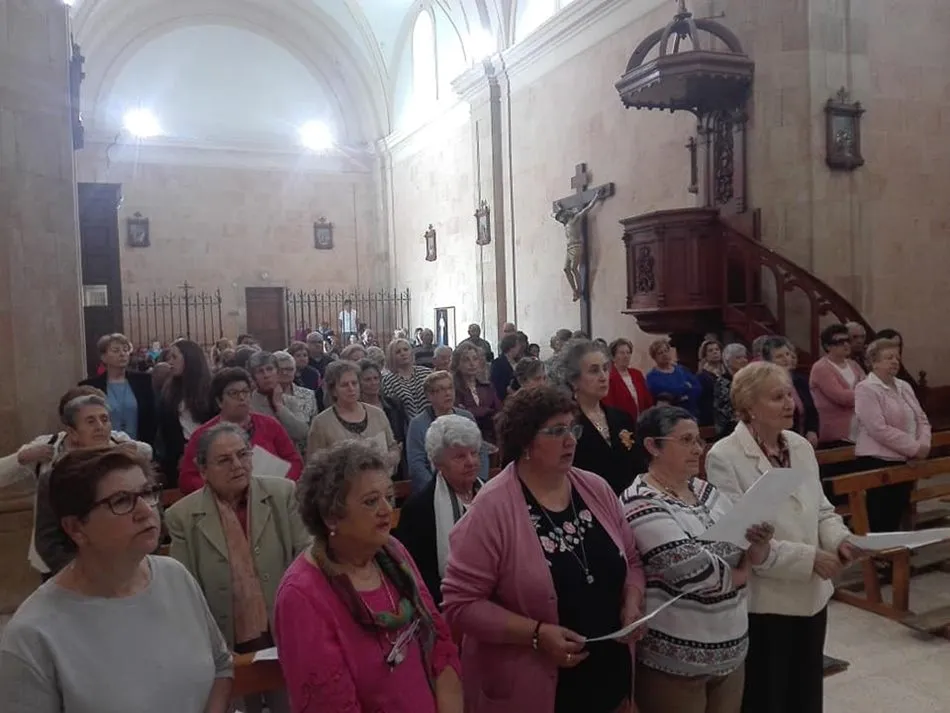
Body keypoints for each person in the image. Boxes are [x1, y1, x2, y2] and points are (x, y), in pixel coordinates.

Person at [441, 385, 645, 713]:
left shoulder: (596, 488)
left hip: (609, 677)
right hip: (535, 686)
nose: (571, 440)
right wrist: (535, 634)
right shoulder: (491, 509)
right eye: (557, 431)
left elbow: (631, 560)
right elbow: (460, 605)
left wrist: (632, 601)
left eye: (573, 429)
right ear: (525, 441)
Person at [0, 447, 233, 713]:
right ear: (76, 528)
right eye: (121, 501)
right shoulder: (32, 634)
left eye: (147, 493)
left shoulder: (175, 576)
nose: (145, 510)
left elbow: (221, 665)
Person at [705, 361, 856, 713]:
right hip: (767, 601)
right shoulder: (724, 456)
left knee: (806, 694)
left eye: (789, 395)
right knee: (768, 696)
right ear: (749, 407)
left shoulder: (800, 446)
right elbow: (740, 536)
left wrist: (840, 540)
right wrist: (809, 558)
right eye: (777, 397)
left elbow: (821, 509)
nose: (790, 403)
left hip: (812, 595)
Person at [273, 440, 462, 713]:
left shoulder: (393, 553)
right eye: (371, 501)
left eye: (389, 496)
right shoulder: (301, 595)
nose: (386, 510)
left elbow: (440, 644)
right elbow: (330, 706)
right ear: (331, 517)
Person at [623, 405, 771, 713]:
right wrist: (739, 572)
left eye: (698, 440)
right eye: (686, 441)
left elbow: (744, 548)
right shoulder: (639, 500)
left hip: (731, 648)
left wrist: (758, 544)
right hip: (678, 660)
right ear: (653, 446)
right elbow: (695, 572)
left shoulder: (705, 490)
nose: (697, 450)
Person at [167, 424, 311, 713]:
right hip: (224, 643)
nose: (237, 465)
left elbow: (306, 557)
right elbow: (184, 592)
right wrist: (213, 647)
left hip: (285, 631)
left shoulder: (282, 493)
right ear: (203, 470)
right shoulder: (181, 516)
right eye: (224, 460)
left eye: (243, 454)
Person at [1, 389, 153, 578]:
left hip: (119, 558)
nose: (100, 427)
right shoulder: (49, 451)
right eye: (90, 420)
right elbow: (48, 538)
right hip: (61, 564)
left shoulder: (117, 444)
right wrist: (21, 458)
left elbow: (147, 453)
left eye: (104, 419)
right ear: (71, 430)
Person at [395, 415, 483, 605]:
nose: (471, 461)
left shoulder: (492, 495)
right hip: (446, 604)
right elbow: (417, 577)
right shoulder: (418, 509)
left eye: (474, 453)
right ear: (438, 463)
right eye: (460, 456)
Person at [177, 368, 303, 494]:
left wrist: (280, 484)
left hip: (272, 495)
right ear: (219, 401)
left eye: (245, 392)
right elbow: (187, 480)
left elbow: (295, 461)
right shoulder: (203, 435)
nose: (242, 397)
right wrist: (222, 486)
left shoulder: (270, 425)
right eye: (233, 393)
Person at [854, 338, 931, 532]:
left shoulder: (904, 386)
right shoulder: (866, 388)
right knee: (881, 518)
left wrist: (923, 446)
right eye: (889, 358)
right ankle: (880, 550)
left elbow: (921, 418)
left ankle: (898, 548)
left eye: (897, 357)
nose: (895, 361)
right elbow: (878, 428)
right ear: (874, 362)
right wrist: (914, 448)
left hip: (905, 460)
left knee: (899, 512)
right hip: (878, 461)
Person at [558, 339, 641, 495]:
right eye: (594, 371)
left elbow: (638, 465)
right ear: (574, 380)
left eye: (605, 369)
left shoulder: (622, 418)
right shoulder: (565, 424)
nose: (603, 377)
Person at [405, 371, 487, 493]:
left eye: (450, 388)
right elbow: (417, 465)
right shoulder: (418, 424)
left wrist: (478, 480)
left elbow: (481, 451)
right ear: (429, 396)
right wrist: (436, 490)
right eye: (441, 389)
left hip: (471, 485)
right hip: (435, 489)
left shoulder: (466, 417)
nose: (448, 393)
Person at [307, 360, 400, 467]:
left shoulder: (377, 414)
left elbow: (392, 446)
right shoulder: (321, 423)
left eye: (354, 383)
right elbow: (313, 465)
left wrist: (391, 458)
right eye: (344, 385)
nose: (351, 389)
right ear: (333, 391)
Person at [80, 333, 156, 445]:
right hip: (104, 447)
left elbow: (152, 417)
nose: (122, 354)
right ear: (103, 357)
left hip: (139, 446)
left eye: (125, 350)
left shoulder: (143, 381)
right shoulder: (91, 386)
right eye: (116, 350)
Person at [156, 339, 213, 488]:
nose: (170, 362)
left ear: (189, 358)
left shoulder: (211, 389)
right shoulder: (169, 390)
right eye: (169, 357)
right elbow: (167, 431)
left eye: (174, 357)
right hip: (179, 457)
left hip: (209, 453)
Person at [809, 324, 865, 447]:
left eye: (847, 340)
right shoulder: (821, 368)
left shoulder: (854, 365)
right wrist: (863, 393)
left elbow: (868, 387)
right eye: (840, 342)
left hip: (858, 430)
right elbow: (841, 397)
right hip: (834, 434)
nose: (846, 345)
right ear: (827, 346)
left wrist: (864, 393)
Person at [760, 336, 819, 446]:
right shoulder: (765, 385)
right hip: (777, 440)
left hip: (804, 441)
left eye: (787, 354)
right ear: (769, 361)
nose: (786, 359)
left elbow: (811, 410)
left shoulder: (800, 380)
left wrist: (812, 430)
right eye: (779, 356)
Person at [358, 358, 409, 480]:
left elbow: (404, 432)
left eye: (376, 378)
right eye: (367, 379)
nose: (373, 382)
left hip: (398, 464)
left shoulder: (395, 404)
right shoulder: (357, 410)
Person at [452, 341, 502, 445]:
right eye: (466, 360)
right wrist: (487, 411)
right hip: (463, 439)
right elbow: (459, 415)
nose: (472, 364)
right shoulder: (453, 388)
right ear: (457, 364)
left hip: (489, 438)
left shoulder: (487, 386)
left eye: (475, 359)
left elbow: (499, 411)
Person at [645, 337, 701, 417]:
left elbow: (697, 387)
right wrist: (685, 388)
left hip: (689, 412)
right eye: (660, 353)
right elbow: (664, 394)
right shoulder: (652, 376)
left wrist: (687, 395)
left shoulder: (682, 370)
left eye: (666, 351)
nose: (664, 354)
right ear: (654, 357)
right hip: (668, 415)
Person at [603, 337, 653, 424]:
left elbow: (647, 400)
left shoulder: (637, 374)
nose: (626, 356)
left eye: (628, 352)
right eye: (622, 353)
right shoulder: (609, 377)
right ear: (613, 357)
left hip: (641, 422)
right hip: (620, 423)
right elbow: (609, 406)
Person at [382, 338, 432, 419]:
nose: (403, 353)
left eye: (405, 350)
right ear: (392, 357)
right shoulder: (387, 381)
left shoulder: (427, 373)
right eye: (398, 352)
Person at [713, 343, 749, 438]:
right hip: (729, 428)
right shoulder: (722, 382)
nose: (743, 360)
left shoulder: (748, 380)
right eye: (738, 358)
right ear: (728, 361)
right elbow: (725, 409)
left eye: (744, 357)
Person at [696, 339, 725, 427]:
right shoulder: (702, 376)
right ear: (705, 355)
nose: (715, 352)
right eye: (710, 350)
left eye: (717, 349)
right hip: (711, 417)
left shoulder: (726, 372)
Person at [490, 333, 524, 401]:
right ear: (511, 347)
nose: (520, 348)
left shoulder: (518, 362)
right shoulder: (498, 363)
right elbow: (497, 385)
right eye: (518, 345)